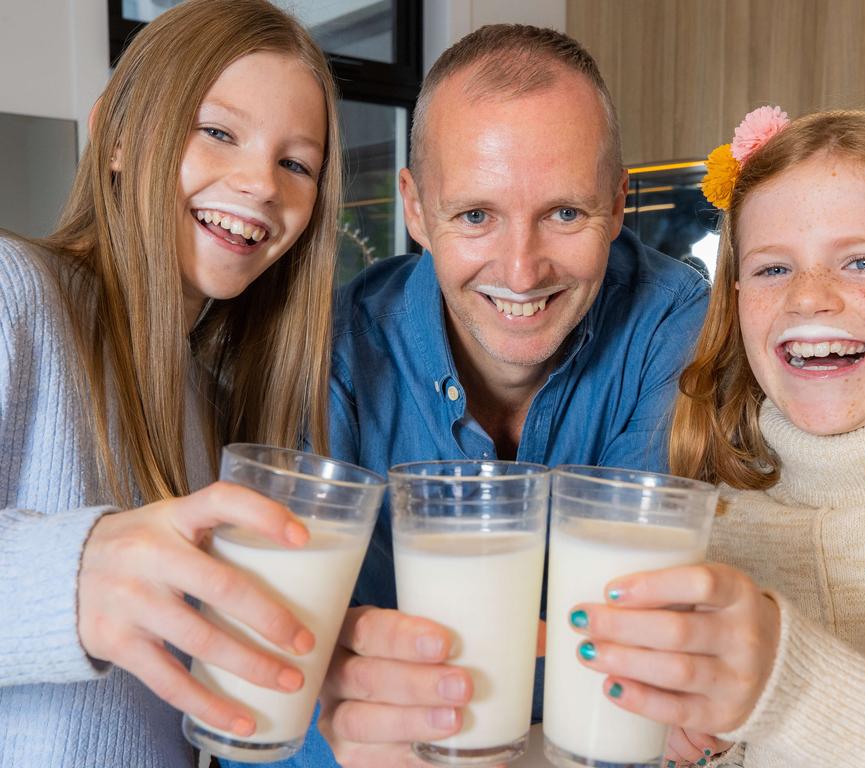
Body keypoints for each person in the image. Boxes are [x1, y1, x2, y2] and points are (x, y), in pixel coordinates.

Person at [286, 24, 710, 768]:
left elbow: (635, 632)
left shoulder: (672, 323)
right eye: (476, 215)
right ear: (415, 210)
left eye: (565, 213)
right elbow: (279, 680)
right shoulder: (332, 353)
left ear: (617, 205)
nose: (521, 271)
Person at [565, 107, 865, 767]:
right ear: (737, 298)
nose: (809, 298)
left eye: (863, 261)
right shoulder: (706, 517)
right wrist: (692, 738)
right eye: (775, 269)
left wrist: (788, 691)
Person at [0, 1, 343, 765]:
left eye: (297, 164)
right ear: (117, 136)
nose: (260, 184)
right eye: (218, 132)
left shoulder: (211, 400)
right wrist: (70, 573)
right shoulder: (11, 292)